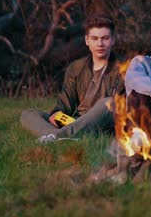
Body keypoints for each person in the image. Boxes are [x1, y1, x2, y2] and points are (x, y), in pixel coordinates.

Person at [20, 14, 125, 142]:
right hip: (74, 121)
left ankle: (56, 136)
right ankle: (55, 134)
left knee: (109, 103)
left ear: (113, 40)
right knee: (28, 114)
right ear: (87, 40)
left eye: (105, 38)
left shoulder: (125, 68)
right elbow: (65, 104)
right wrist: (57, 114)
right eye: (94, 38)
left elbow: (120, 109)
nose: (100, 43)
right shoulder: (76, 67)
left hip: (101, 124)